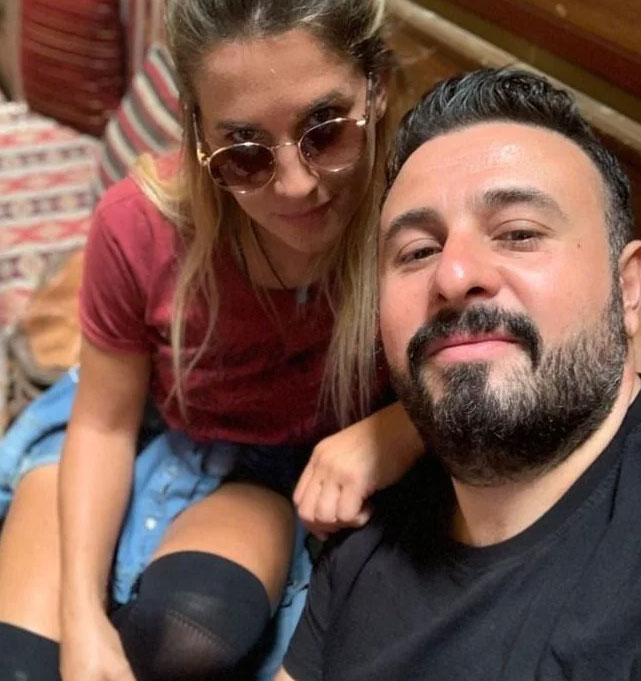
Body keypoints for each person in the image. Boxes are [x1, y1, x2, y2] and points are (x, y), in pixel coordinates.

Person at [0, 1, 425, 680]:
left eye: (324, 129)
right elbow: (103, 424)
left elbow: (527, 365)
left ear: (374, 88)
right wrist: (80, 615)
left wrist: (399, 427)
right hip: (135, 424)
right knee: (22, 665)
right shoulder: (137, 225)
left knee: (184, 637)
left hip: (270, 472)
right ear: (198, 134)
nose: (297, 185)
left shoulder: (420, 215)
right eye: (246, 153)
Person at [278, 68, 641, 681]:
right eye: (418, 252)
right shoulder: (366, 538)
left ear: (629, 290)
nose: (453, 276)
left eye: (518, 234)